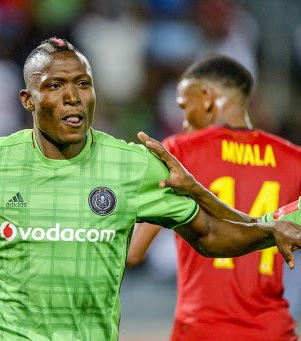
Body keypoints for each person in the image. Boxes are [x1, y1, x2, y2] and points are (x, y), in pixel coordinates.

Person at [0, 38, 301, 341]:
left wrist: (267, 231)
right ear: (29, 99)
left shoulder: (132, 165)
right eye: (55, 85)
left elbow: (209, 237)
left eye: (83, 83)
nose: (73, 96)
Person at [128, 55, 301, 340]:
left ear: (206, 97)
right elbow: (263, 225)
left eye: (185, 107)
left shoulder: (177, 154)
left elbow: (133, 251)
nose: (184, 122)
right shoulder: (293, 159)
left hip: (201, 329)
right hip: (273, 330)